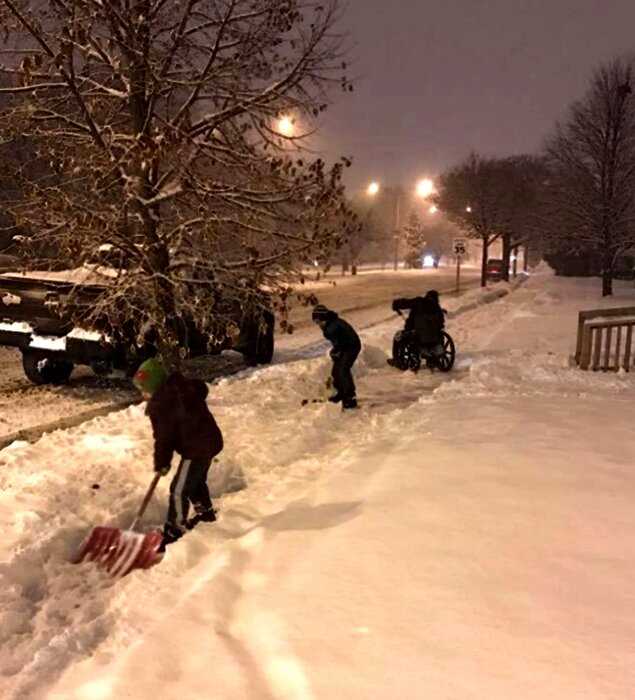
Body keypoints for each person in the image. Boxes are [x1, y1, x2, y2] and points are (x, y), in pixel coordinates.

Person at [133, 357, 224, 551]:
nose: (143, 395)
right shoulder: (181, 389)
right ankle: (205, 512)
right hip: (209, 442)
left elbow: (164, 439)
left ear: (155, 387)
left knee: (178, 490)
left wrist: (162, 463)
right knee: (194, 481)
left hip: (196, 448)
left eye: (145, 390)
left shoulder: (162, 405)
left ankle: (175, 529)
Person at [312, 305, 361, 409]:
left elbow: (341, 341)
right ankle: (341, 392)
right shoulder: (331, 323)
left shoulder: (332, 327)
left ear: (323, 318)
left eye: (318, 321)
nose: (318, 324)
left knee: (343, 370)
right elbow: (338, 342)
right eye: (315, 322)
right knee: (336, 371)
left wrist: (337, 351)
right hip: (345, 346)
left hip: (352, 346)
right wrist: (336, 351)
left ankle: (350, 397)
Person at [388, 289, 446, 367]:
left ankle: (397, 360)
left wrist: (396, 304)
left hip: (416, 335)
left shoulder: (419, 301)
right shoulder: (438, 309)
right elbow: (441, 325)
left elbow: (405, 303)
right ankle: (431, 359)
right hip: (434, 339)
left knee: (397, 336)